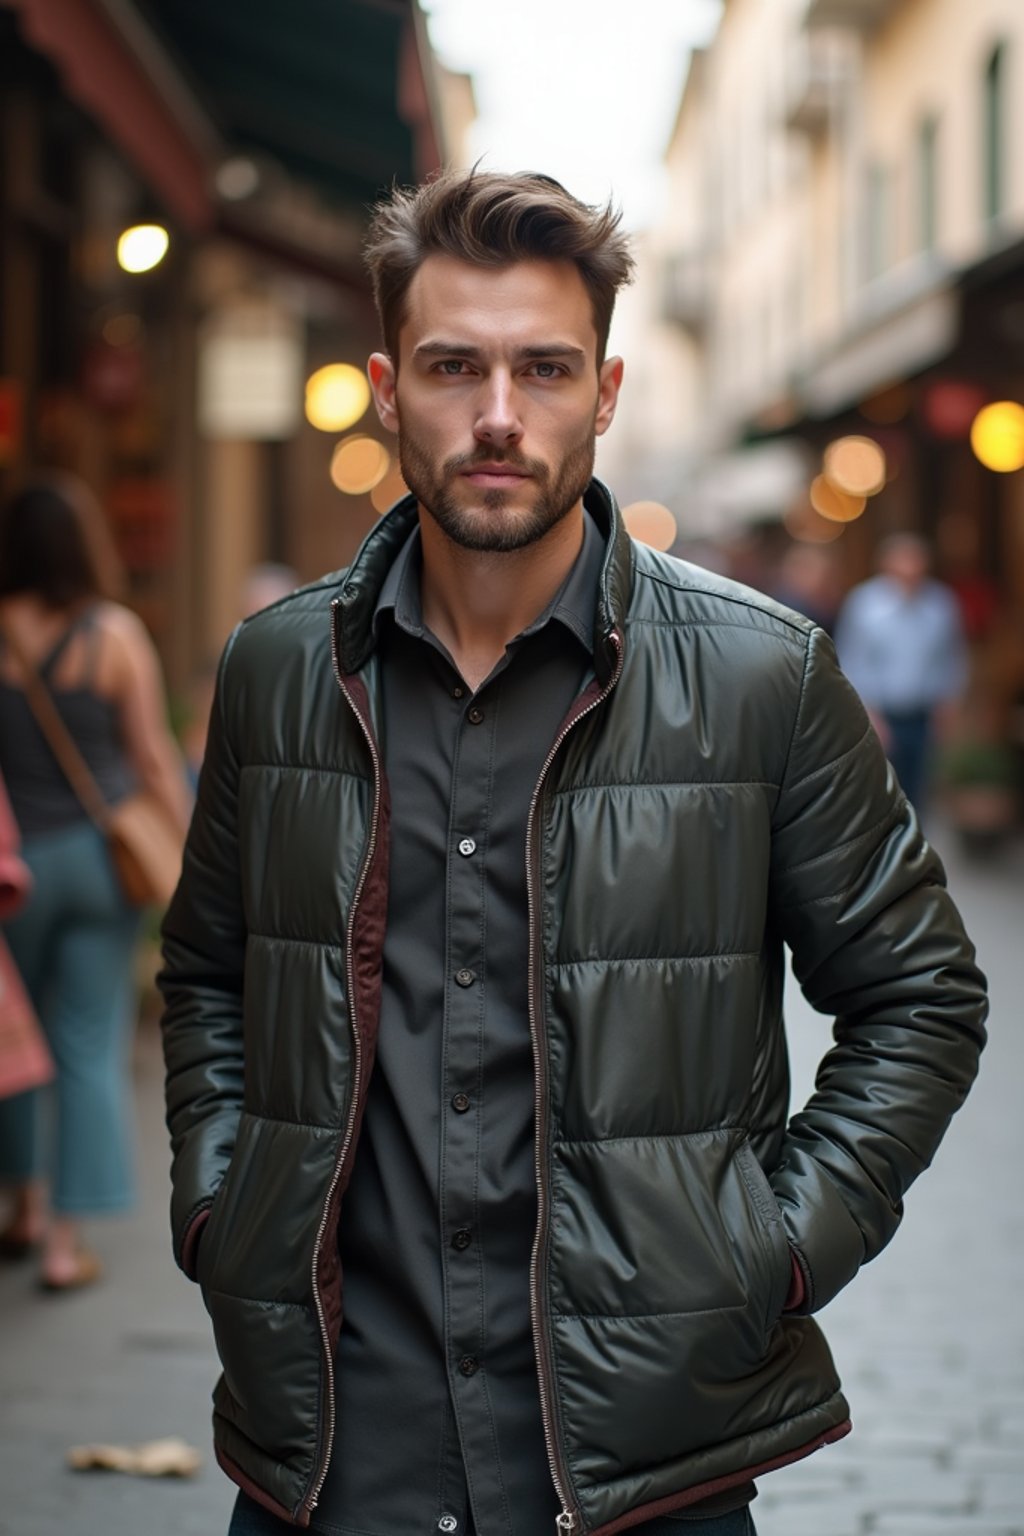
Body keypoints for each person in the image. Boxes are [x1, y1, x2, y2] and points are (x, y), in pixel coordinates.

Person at [159, 171, 987, 1536]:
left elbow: (921, 995)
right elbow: (205, 973)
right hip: (334, 1459)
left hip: (642, 1467)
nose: (498, 416)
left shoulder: (762, 678)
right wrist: (218, 1206)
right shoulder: (278, 671)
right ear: (385, 385)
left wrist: (770, 1253)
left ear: (603, 393)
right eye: (453, 367)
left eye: (543, 369)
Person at [0, 475, 191, 1289]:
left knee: (15, 1041)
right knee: (86, 1042)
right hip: (97, 862)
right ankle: (62, 1245)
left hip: (13, 866)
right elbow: (149, 757)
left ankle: (27, 1206)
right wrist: (189, 850)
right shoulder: (113, 635)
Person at [834, 533, 968, 812]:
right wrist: (869, 715)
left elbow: (952, 657)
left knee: (920, 791)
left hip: (924, 713)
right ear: (886, 565)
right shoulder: (864, 604)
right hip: (882, 714)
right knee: (884, 791)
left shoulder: (940, 604)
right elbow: (853, 662)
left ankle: (916, 849)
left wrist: (949, 704)